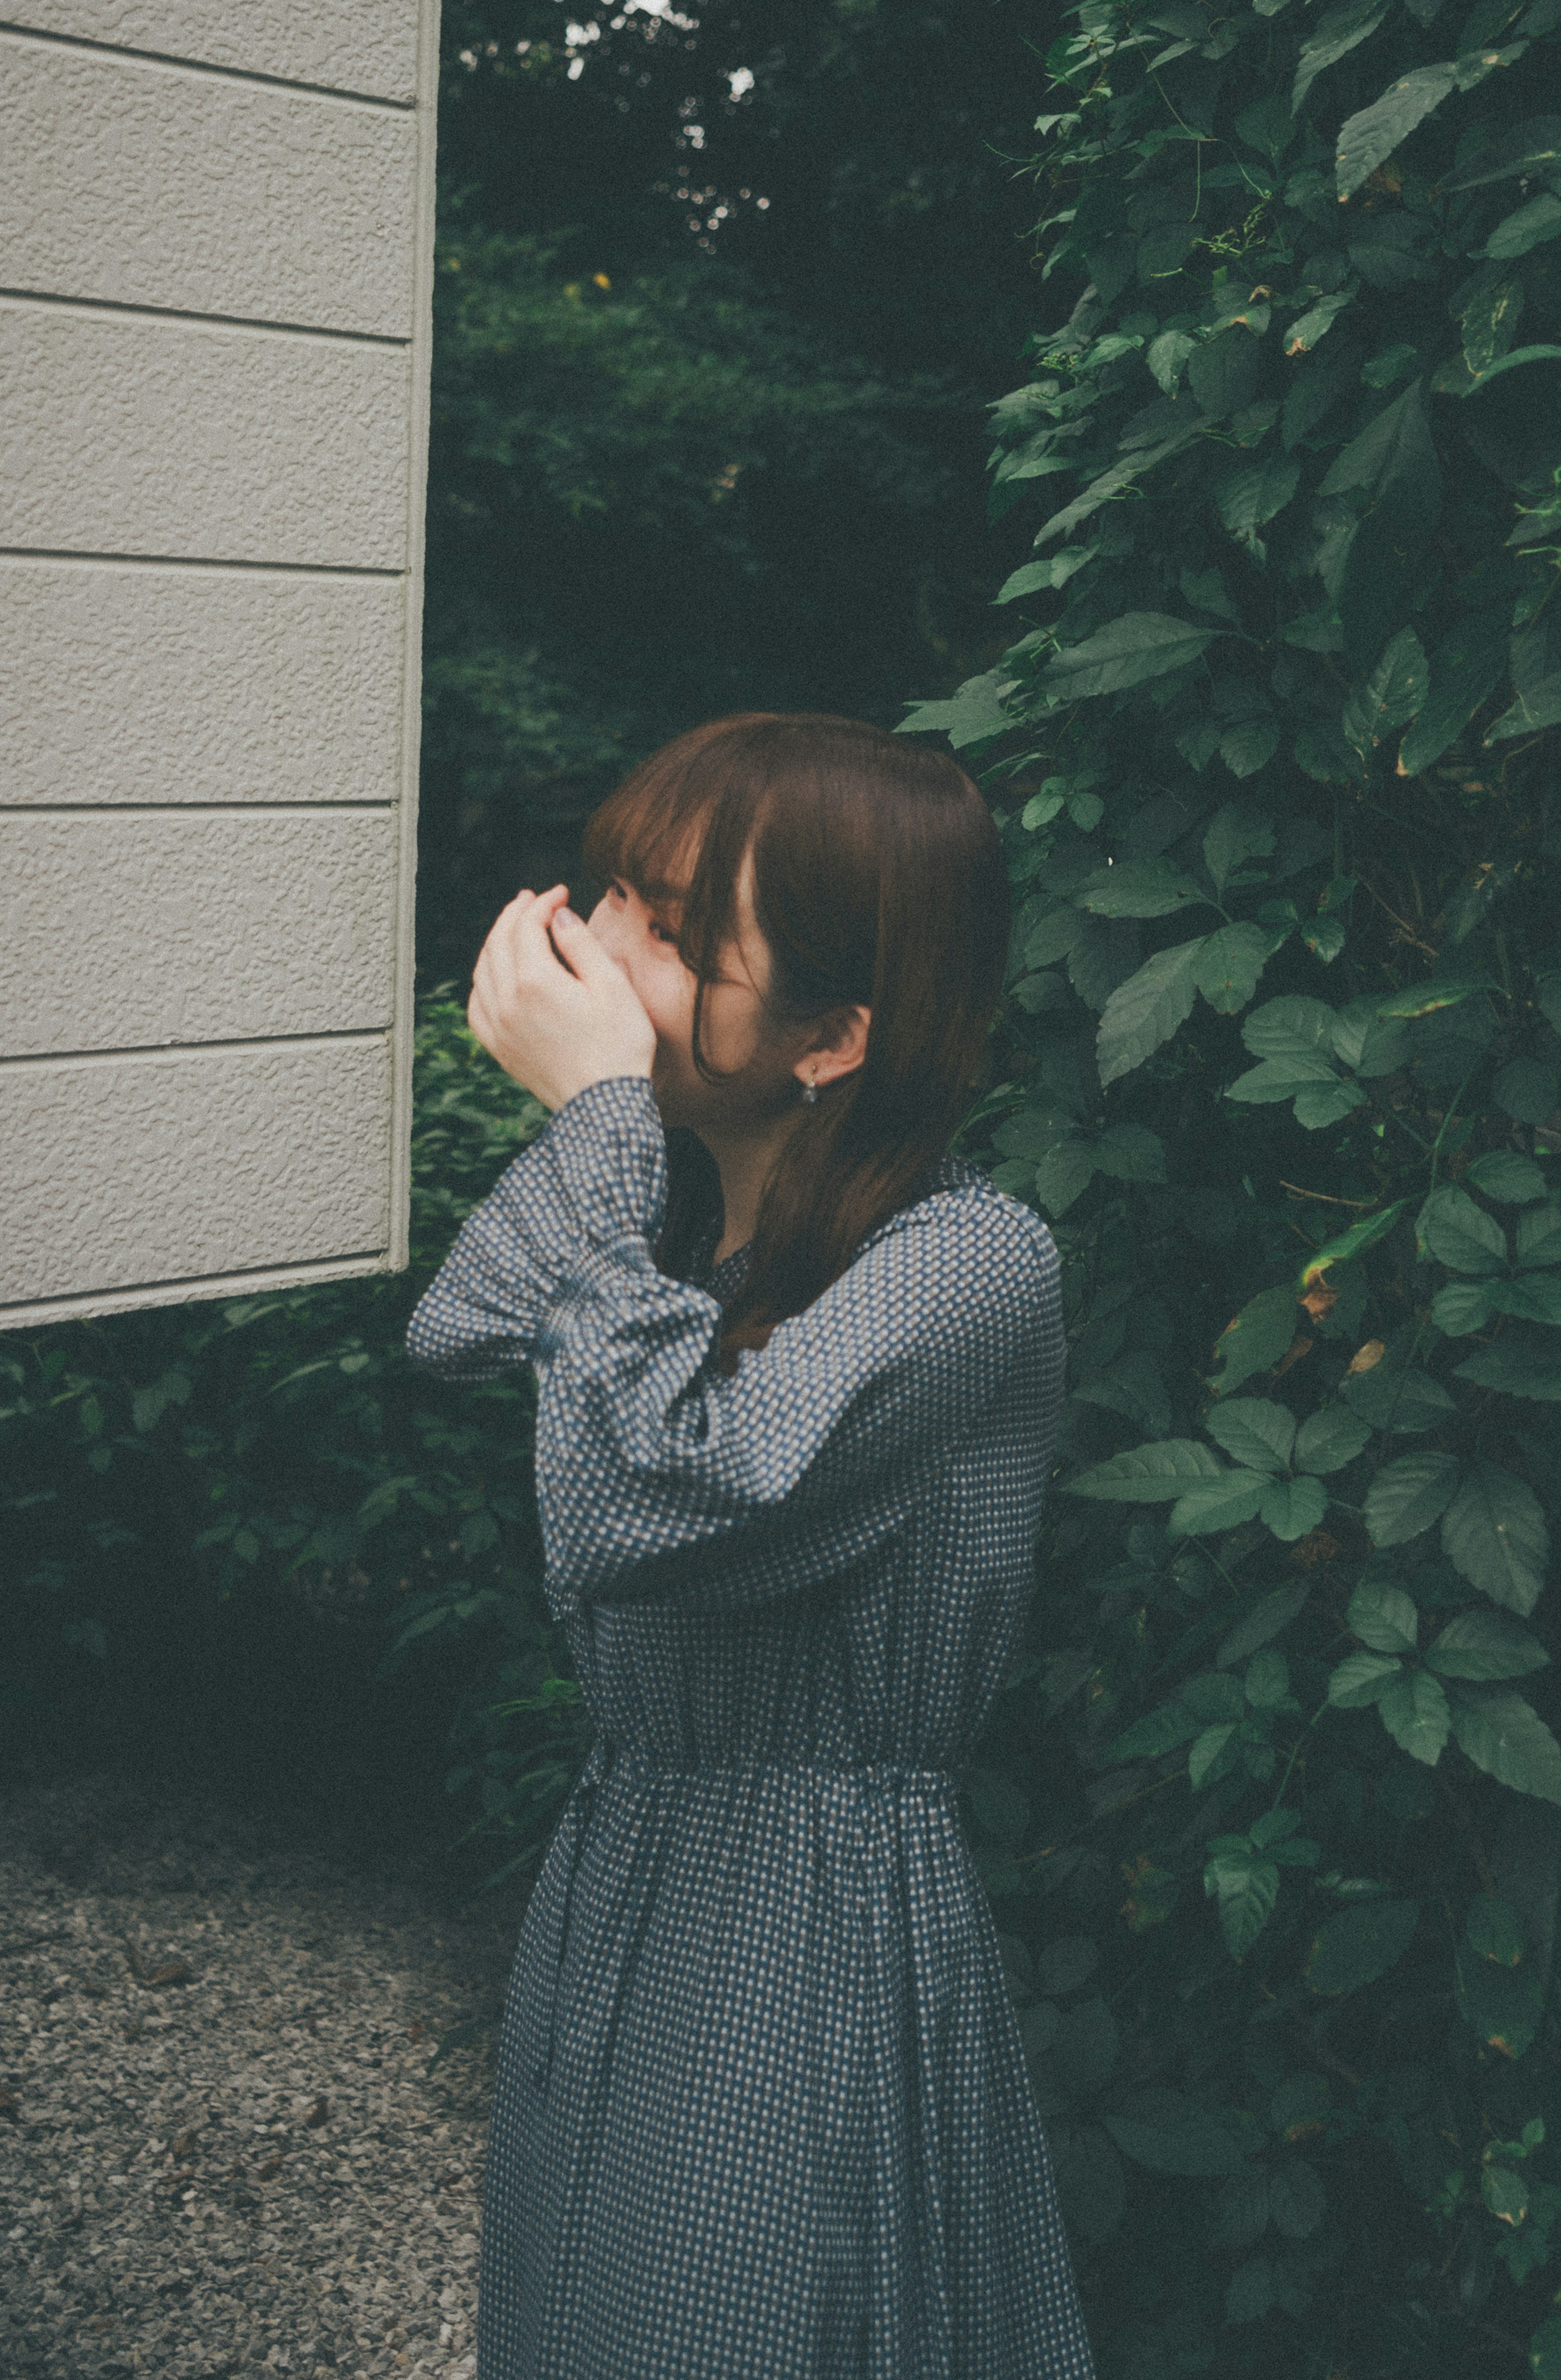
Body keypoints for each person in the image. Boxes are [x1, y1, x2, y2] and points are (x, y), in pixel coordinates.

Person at [407, 712, 1095, 2380]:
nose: (604, 945)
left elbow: (656, 1508)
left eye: (673, 930)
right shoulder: (678, 1234)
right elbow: (458, 1326)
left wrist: (592, 1115)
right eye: (617, 892)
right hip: (629, 1858)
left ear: (832, 1037)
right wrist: (613, 1145)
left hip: (808, 1909)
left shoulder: (970, 1263)